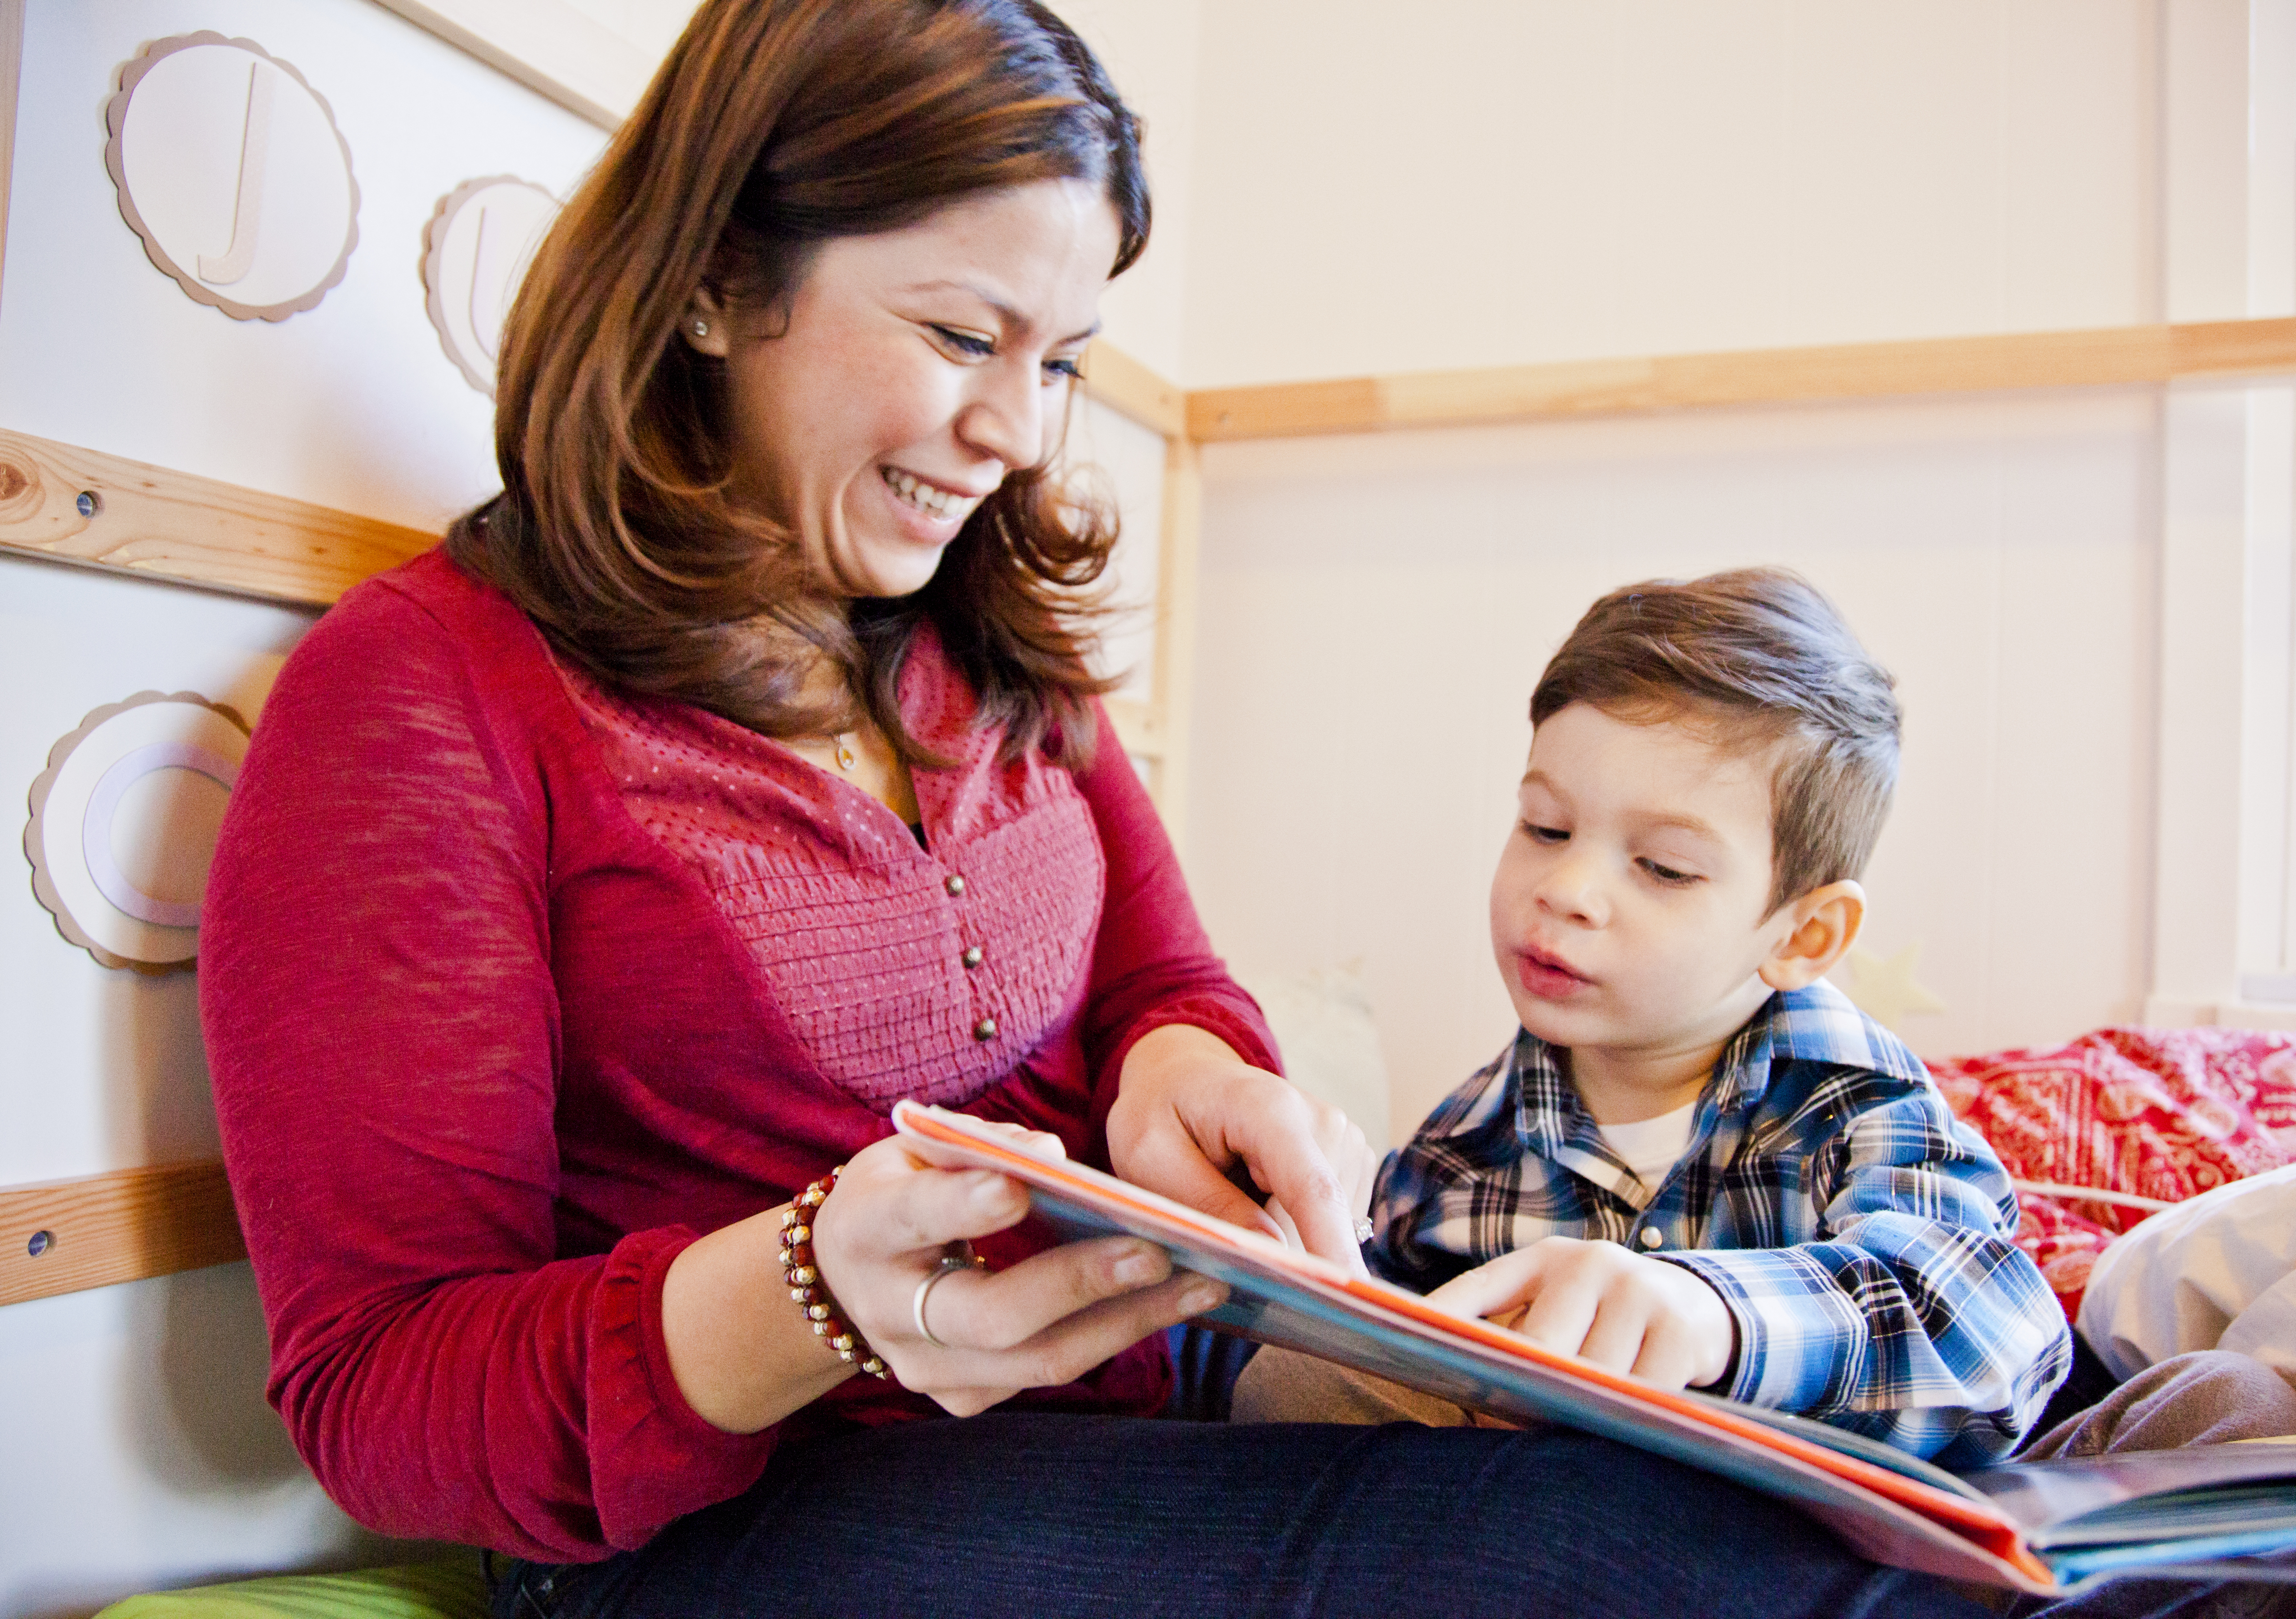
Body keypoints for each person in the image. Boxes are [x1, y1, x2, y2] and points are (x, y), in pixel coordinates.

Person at [197, 5, 1994, 1615]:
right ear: (712, 282)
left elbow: (1164, 992)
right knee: (1636, 1562)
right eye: (962, 334)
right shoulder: (429, 698)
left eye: (1057, 360)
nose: (1017, 432)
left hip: (1140, 1412)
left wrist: (1192, 1080)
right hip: (738, 1519)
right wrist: (815, 1289)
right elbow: (380, 1396)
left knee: (1730, 1494)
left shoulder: (992, 661)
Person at [1236, 570, 2072, 1467]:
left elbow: (1998, 1334)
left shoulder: (1858, 1105)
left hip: (1807, 1540)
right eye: (1546, 827)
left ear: (1805, 933)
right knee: (1286, 1380)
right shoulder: (1458, 1150)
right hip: (1559, 1532)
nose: (1565, 890)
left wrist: (1714, 1318)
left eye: (1665, 869)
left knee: (2196, 1409)